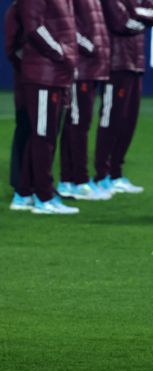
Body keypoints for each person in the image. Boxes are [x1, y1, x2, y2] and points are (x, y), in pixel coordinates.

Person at [15, 0, 78, 214]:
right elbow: (34, 28)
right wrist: (62, 53)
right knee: (44, 137)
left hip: (55, 74)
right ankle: (44, 197)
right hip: (43, 75)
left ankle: (24, 193)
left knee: (43, 136)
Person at [94, 0, 153, 194]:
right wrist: (142, 18)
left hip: (135, 64)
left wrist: (136, 15)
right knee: (111, 120)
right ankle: (101, 175)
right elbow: (120, 23)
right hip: (115, 64)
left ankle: (116, 172)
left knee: (128, 122)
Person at [56, 0, 111, 201]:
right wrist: (91, 47)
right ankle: (77, 180)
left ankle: (71, 180)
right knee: (76, 124)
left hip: (91, 68)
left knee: (80, 123)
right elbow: (66, 24)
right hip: (80, 68)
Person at [5, 0, 33, 210]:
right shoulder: (19, 8)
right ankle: (20, 184)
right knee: (26, 129)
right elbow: (12, 47)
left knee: (42, 135)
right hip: (29, 80)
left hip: (42, 77)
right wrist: (28, 69)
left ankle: (37, 183)